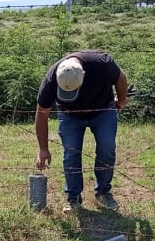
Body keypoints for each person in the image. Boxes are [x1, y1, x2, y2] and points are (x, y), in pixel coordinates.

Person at [35, 50, 130, 212]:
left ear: (84, 75)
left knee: (107, 148)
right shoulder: (51, 78)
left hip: (103, 109)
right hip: (69, 115)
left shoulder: (102, 63)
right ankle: (73, 198)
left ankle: (103, 192)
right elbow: (42, 114)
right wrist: (43, 149)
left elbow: (120, 77)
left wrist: (121, 101)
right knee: (71, 153)